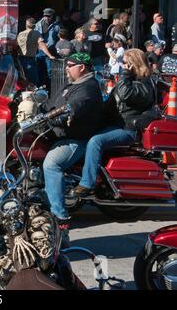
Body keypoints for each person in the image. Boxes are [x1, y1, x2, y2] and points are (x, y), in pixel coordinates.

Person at [72, 49, 156, 198]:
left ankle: (87, 184)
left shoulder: (144, 83)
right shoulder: (128, 81)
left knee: (96, 141)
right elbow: (110, 104)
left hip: (128, 129)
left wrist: (125, 75)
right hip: (116, 124)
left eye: (124, 62)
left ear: (133, 64)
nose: (121, 65)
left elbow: (125, 95)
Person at [42, 53, 103, 236]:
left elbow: (74, 108)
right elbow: (53, 104)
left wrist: (58, 119)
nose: (66, 68)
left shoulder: (88, 87)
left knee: (51, 164)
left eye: (70, 65)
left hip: (77, 139)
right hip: (62, 135)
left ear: (81, 67)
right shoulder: (72, 84)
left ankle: (59, 217)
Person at [17, 17, 55, 87]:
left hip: (19, 61)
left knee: (21, 82)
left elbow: (16, 46)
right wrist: (50, 55)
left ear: (26, 25)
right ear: (35, 26)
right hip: (30, 61)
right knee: (33, 82)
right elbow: (42, 44)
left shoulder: (20, 34)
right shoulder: (36, 33)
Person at [35, 8, 60, 87]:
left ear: (52, 16)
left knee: (50, 72)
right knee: (40, 71)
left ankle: (50, 90)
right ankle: (40, 89)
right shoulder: (38, 24)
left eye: (49, 16)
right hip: (40, 51)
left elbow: (59, 37)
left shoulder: (57, 26)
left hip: (51, 51)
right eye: (45, 16)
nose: (47, 18)